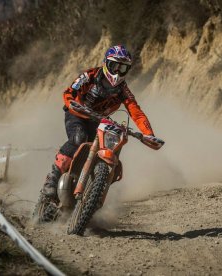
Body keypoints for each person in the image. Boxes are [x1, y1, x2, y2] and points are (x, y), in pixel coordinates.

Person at [42, 45, 161, 199]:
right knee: (79, 138)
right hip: (77, 114)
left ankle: (96, 189)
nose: (118, 72)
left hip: (98, 121)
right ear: (106, 63)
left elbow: (136, 112)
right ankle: (52, 179)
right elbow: (70, 92)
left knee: (109, 147)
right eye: (114, 66)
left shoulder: (123, 90)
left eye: (123, 68)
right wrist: (72, 102)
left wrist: (148, 134)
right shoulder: (89, 76)